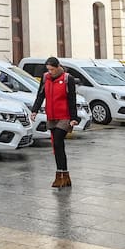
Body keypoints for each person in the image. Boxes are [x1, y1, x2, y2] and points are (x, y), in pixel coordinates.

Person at [30, 57, 80, 189]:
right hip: (51, 116)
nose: (50, 71)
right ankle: (62, 175)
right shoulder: (45, 77)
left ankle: (62, 175)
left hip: (64, 116)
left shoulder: (68, 78)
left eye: (52, 69)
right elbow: (40, 95)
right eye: (48, 69)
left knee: (58, 141)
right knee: (57, 146)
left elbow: (72, 99)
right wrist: (34, 110)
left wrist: (74, 118)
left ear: (58, 67)